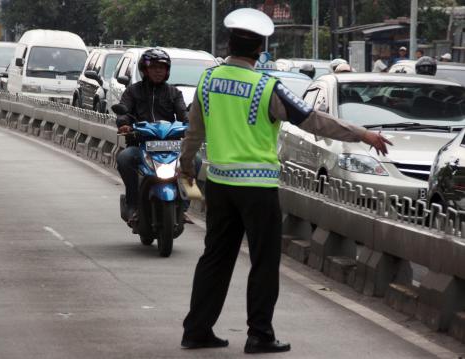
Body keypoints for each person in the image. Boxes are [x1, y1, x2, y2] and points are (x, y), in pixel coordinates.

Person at [179, 7, 391, 354]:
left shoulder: (207, 81)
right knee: (263, 261)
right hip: (257, 189)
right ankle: (259, 334)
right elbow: (313, 121)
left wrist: (186, 168)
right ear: (261, 49)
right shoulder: (267, 87)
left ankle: (197, 329)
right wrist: (362, 134)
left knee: (215, 258)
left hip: (218, 183)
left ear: (229, 44)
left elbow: (193, 133)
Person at [115, 48, 188, 221]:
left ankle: (184, 207)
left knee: (195, 160)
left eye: (162, 67)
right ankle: (133, 204)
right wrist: (124, 124)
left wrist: (191, 125)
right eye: (154, 67)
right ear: (144, 70)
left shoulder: (174, 93)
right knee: (124, 158)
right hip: (140, 144)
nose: (158, 71)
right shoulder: (133, 91)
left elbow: (184, 115)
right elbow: (123, 112)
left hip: (171, 146)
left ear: (167, 70)